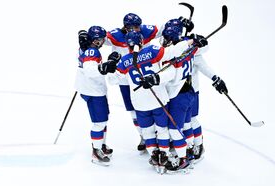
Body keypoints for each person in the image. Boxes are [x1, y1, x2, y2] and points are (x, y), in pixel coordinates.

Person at [79, 14, 194, 151]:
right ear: (125, 27)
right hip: (125, 79)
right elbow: (98, 38)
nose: (134, 29)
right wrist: (83, 34)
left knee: (159, 107)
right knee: (136, 112)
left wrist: (178, 22)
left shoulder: (146, 31)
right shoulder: (115, 35)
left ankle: (160, 138)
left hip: (148, 77)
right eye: (130, 27)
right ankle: (146, 137)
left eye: (137, 26)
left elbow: (165, 29)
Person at [115, 30, 200, 173]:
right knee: (163, 129)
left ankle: (155, 155)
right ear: (141, 41)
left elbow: (113, 79)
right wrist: (191, 42)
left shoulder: (123, 61)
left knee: (148, 132)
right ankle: (165, 154)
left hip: (140, 104)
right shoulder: (152, 51)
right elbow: (172, 51)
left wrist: (111, 65)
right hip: (158, 99)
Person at [162, 23, 208, 172]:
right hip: (189, 91)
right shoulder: (188, 50)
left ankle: (183, 159)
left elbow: (167, 76)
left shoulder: (174, 53)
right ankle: (189, 151)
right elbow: (199, 47)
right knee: (187, 124)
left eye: (168, 38)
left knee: (175, 130)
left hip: (178, 95)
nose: (165, 40)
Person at [75, 25, 121, 166]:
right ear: (95, 40)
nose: (102, 42)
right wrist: (106, 66)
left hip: (93, 90)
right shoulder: (92, 52)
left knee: (103, 120)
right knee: (99, 122)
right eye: (100, 39)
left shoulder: (86, 48)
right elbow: (90, 70)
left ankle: (101, 145)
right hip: (93, 91)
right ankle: (96, 151)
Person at [189, 52, 228, 162]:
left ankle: (198, 145)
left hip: (190, 91)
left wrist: (216, 78)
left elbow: (203, 66)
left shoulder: (192, 49)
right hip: (173, 91)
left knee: (191, 119)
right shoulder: (170, 47)